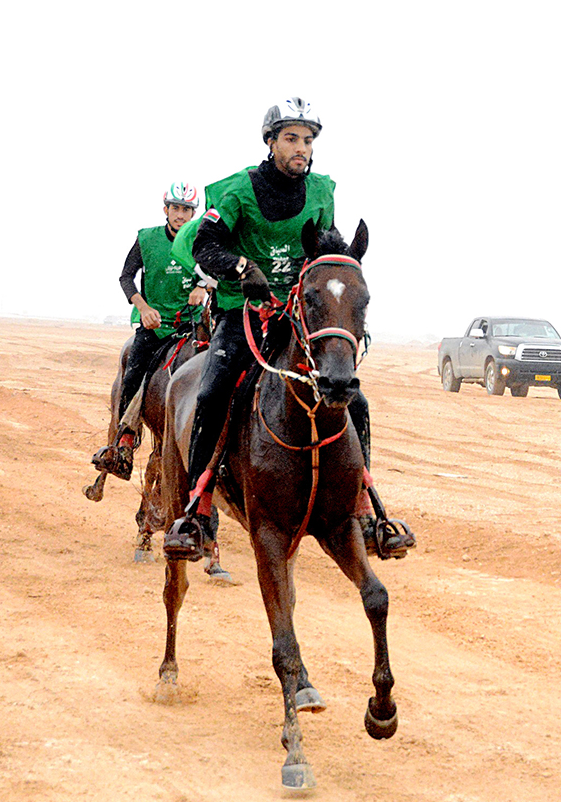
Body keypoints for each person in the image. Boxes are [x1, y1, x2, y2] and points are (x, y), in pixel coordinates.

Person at [163, 97, 406, 561]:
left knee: (355, 399)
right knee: (213, 392)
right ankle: (198, 510)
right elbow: (203, 242)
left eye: (308, 140)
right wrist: (240, 266)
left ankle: (366, 509)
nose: (301, 148)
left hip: (299, 314)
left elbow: (326, 247)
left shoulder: (321, 192)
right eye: (291, 138)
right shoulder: (237, 190)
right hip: (244, 315)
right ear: (270, 141)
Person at [92, 183, 208, 479]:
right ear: (166, 209)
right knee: (133, 372)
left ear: (194, 213)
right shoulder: (147, 239)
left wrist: (202, 285)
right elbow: (126, 277)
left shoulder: (202, 238)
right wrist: (143, 308)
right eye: (176, 208)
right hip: (155, 326)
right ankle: (123, 444)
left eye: (186, 210)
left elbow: (218, 272)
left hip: (192, 324)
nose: (181, 215)